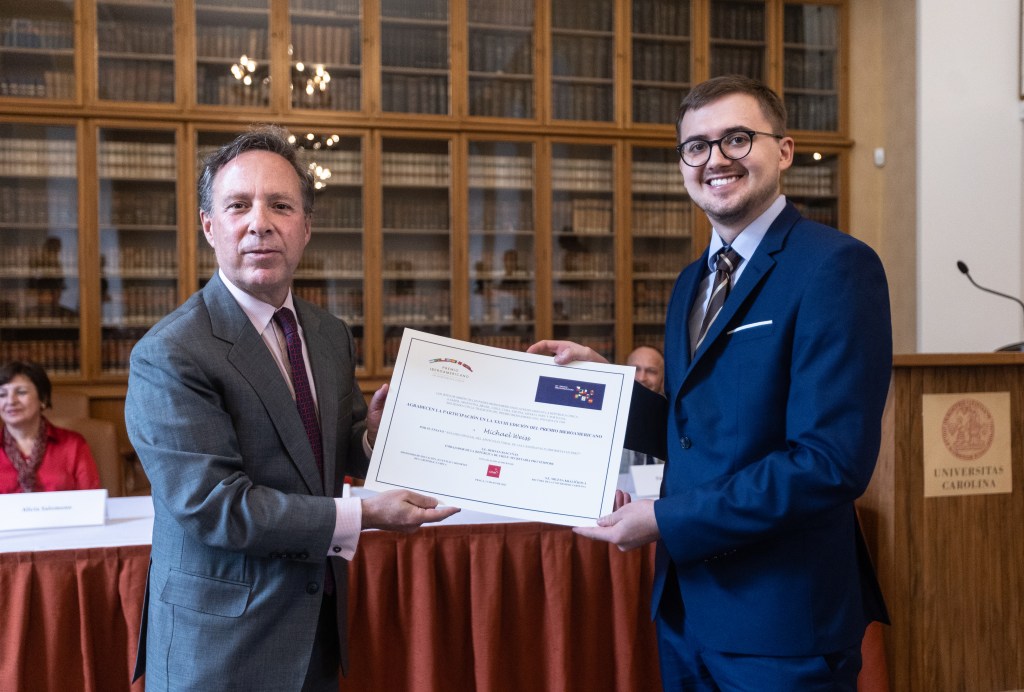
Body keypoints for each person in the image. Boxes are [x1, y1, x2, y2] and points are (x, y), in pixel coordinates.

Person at [530, 75, 891, 690]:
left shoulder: (835, 267)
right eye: (696, 146)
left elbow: (829, 464)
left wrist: (667, 520)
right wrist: (606, 387)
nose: (716, 159)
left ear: (784, 150)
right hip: (686, 612)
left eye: (737, 139)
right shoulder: (690, 281)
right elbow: (695, 429)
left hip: (781, 623)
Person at [125, 126, 459, 692]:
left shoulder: (328, 334)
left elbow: (331, 446)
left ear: (306, 227)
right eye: (238, 206)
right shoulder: (171, 352)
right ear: (209, 227)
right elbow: (215, 507)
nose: (260, 223)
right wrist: (366, 515)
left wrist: (374, 437)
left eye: (280, 205)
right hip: (220, 648)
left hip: (313, 628)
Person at [0, 360, 101, 493]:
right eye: (2, 394)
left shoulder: (73, 445)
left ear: (43, 398)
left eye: (21, 392)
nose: (10, 401)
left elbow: (91, 500)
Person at [619, 345, 665, 472]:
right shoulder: (608, 414)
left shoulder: (673, 420)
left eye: (651, 371)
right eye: (635, 369)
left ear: (662, 379)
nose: (641, 378)